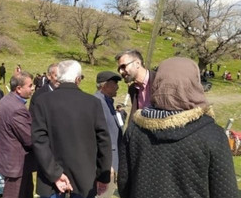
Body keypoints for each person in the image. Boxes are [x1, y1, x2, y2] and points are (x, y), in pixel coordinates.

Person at [118, 57, 238, 198]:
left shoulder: (135, 130)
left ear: (158, 84)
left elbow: (124, 183)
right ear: (194, 85)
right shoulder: (212, 135)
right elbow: (226, 192)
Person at [32, 60, 112, 198]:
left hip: (51, 178)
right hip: (84, 179)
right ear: (78, 79)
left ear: (59, 77)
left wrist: (55, 174)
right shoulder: (93, 103)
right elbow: (103, 141)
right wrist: (103, 176)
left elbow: (39, 141)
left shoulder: (42, 101)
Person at [0, 71, 36, 198]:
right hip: (15, 167)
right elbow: (29, 139)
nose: (33, 88)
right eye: (30, 85)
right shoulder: (16, 109)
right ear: (18, 88)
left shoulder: (6, 100)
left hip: (9, 162)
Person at [94, 71, 123, 198]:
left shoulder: (108, 101)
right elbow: (98, 135)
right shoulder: (97, 102)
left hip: (111, 161)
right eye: (115, 83)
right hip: (106, 163)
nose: (117, 86)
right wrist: (106, 164)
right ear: (105, 85)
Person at [115, 49, 156, 123]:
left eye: (123, 66)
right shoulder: (132, 89)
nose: (121, 72)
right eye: (119, 69)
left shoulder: (159, 80)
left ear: (137, 63)